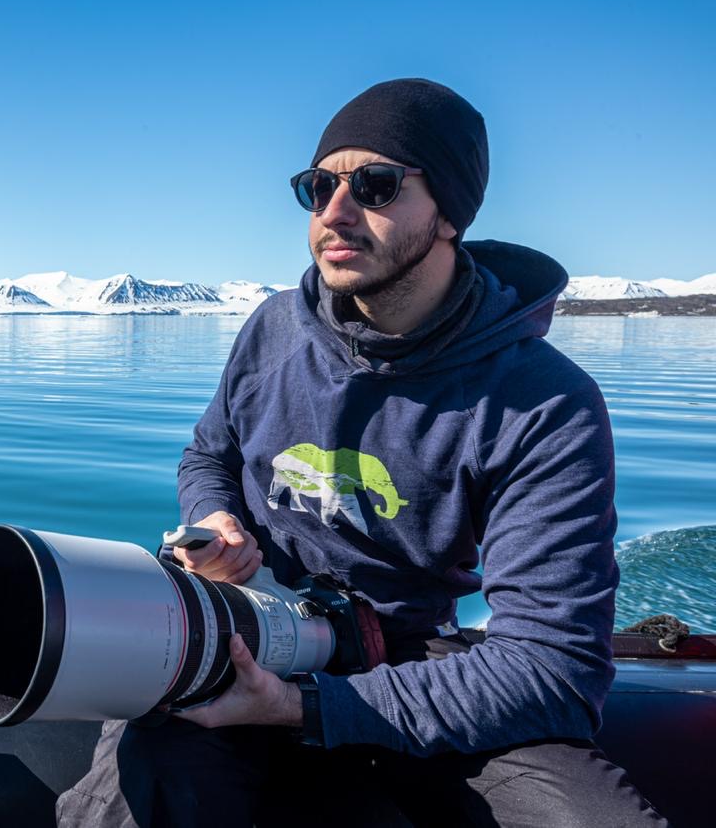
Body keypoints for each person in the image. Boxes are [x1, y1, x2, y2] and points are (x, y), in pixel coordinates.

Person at [56, 79, 668, 826]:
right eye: (319, 187)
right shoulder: (274, 330)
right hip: (252, 631)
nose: (335, 213)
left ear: (448, 211)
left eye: (376, 185)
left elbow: (551, 669)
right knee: (145, 781)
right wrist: (215, 520)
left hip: (410, 658)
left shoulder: (541, 401)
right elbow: (207, 456)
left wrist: (302, 706)